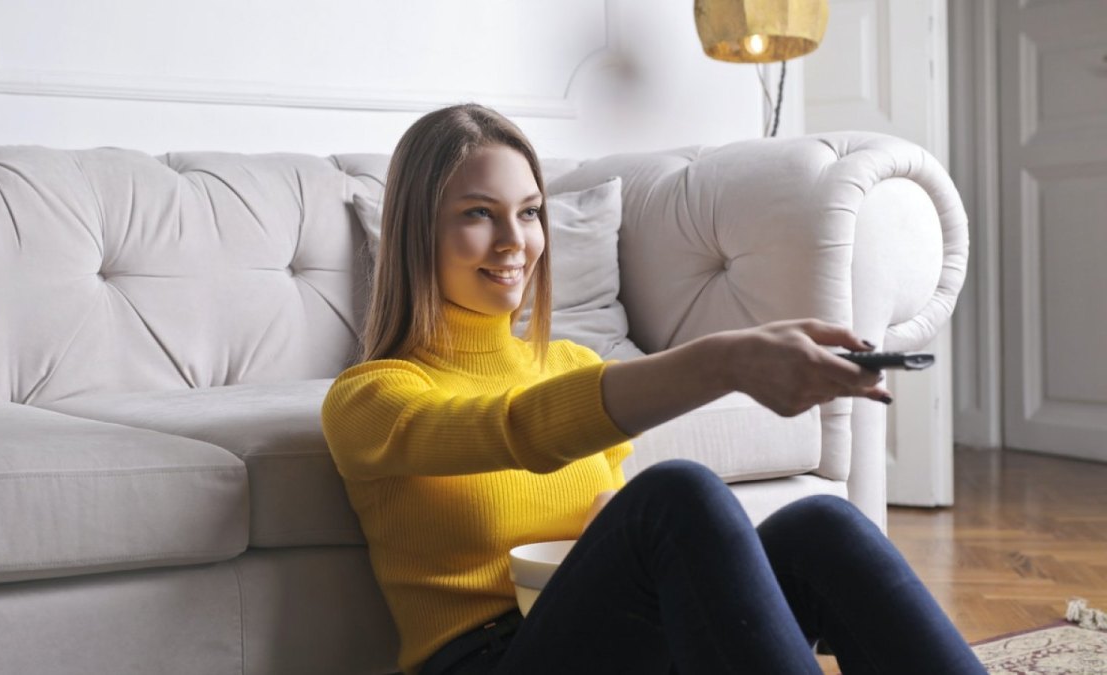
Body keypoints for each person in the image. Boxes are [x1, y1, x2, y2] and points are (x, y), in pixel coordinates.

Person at [321, 103, 985, 675]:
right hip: (492, 657)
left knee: (823, 526)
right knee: (677, 491)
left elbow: (604, 511)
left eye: (528, 212)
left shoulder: (569, 362)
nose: (514, 241)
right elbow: (518, 428)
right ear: (418, 231)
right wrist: (725, 360)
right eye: (478, 213)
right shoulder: (370, 398)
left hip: (618, 644)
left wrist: (609, 522)